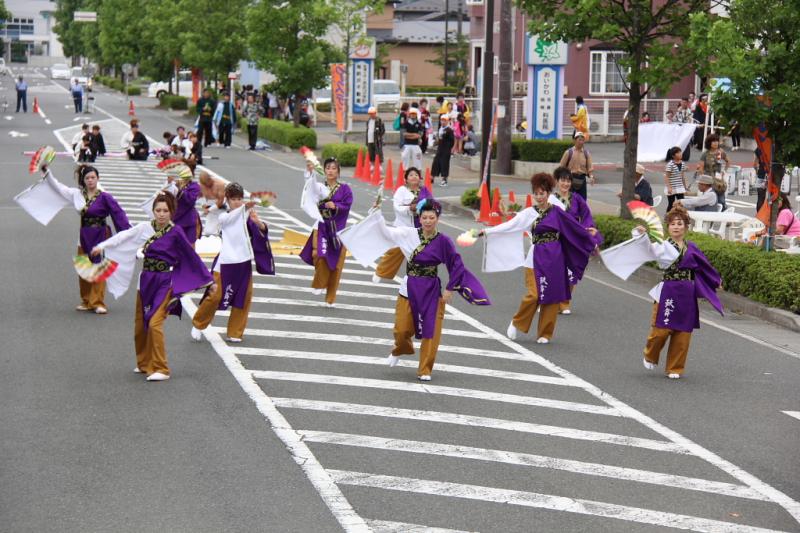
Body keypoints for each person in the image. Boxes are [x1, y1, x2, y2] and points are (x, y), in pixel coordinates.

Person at [91, 192, 213, 381]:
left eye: (165, 210)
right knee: (141, 325)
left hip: (165, 281)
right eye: (158, 210)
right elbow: (124, 236)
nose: (162, 214)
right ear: (153, 211)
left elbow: (191, 255)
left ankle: (161, 368)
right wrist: (102, 246)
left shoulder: (176, 231)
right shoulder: (144, 228)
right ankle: (144, 363)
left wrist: (208, 281)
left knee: (155, 323)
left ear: (171, 212)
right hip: (145, 280)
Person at [372, 199, 490, 381]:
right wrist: (376, 213)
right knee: (401, 330)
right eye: (424, 217)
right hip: (409, 287)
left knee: (431, 331)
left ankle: (425, 369)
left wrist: (450, 289)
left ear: (437, 219)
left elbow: (456, 264)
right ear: (419, 218)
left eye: (431, 217)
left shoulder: (443, 241)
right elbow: (386, 232)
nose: (428, 221)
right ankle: (401, 348)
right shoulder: (407, 234)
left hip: (431, 290)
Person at [482, 173, 596, 344]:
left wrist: (588, 234)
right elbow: (510, 226)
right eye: (536, 193)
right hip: (535, 258)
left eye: (542, 193)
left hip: (555, 258)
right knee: (534, 295)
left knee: (553, 295)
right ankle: (517, 321)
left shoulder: (557, 211)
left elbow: (573, 227)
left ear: (548, 193)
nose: (539, 196)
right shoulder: (528, 213)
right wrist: (486, 231)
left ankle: (545, 333)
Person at [639, 205, 722, 379]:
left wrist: (715, 281)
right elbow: (647, 250)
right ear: (667, 227)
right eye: (673, 224)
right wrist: (641, 235)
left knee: (683, 332)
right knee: (661, 329)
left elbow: (705, 267)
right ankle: (650, 354)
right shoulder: (662, 246)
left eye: (680, 223)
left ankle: (675, 368)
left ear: (686, 226)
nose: (676, 226)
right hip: (668, 290)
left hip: (687, 292)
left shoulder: (691, 248)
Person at [40, 164, 130, 314]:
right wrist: (46, 172)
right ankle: (86, 300)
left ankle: (98, 302)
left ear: (98, 178)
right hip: (84, 235)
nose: (90, 180)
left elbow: (118, 214)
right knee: (84, 268)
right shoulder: (76, 194)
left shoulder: (105, 196)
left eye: (93, 177)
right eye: (87, 178)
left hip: (101, 236)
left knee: (99, 268)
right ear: (83, 179)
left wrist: (127, 234)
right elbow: (58, 187)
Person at [191, 183, 274, 343]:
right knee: (214, 296)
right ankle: (198, 324)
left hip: (243, 263)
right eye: (233, 199)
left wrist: (258, 223)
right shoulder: (224, 216)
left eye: (239, 198)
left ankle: (235, 332)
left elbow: (260, 231)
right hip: (225, 262)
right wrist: (244, 208)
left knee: (244, 297)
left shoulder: (246, 215)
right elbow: (230, 218)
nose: (237, 202)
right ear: (227, 200)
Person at [299, 157, 353, 306]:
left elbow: (347, 204)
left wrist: (335, 206)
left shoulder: (345, 189)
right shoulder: (319, 186)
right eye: (328, 168)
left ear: (338, 171)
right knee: (319, 255)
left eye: (333, 168)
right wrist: (309, 172)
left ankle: (330, 297)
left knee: (336, 265)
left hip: (338, 230)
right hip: (321, 226)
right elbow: (309, 188)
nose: (330, 171)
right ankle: (319, 283)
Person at [553, 166, 602, 315]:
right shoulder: (551, 200)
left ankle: (565, 302)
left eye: (568, 181)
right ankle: (552, 301)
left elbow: (586, 216)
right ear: (556, 181)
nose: (566, 184)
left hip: (574, 239)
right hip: (557, 238)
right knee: (555, 270)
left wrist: (588, 229)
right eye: (563, 180)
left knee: (571, 271)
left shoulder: (577, 199)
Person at [373, 167, 434, 283]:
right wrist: (409, 208)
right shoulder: (401, 190)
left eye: (416, 175)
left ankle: (419, 278)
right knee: (395, 251)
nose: (414, 177)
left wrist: (424, 210)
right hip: (402, 226)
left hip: (419, 229)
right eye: (411, 175)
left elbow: (432, 204)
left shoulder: (424, 190)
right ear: (406, 179)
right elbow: (397, 207)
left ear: (420, 178)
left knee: (418, 254)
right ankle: (380, 271)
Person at [163, 166, 202, 247]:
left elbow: (190, 200)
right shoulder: (175, 184)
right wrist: (169, 184)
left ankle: (190, 259)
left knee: (190, 244)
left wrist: (179, 190)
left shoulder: (194, 186)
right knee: (175, 244)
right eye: (183, 178)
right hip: (176, 218)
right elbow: (165, 196)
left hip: (189, 219)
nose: (184, 180)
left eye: (186, 178)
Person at [558, 131, 595, 199]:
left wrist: (591, 177)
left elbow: (589, 168)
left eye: (583, 140)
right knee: (570, 200)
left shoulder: (586, 153)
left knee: (582, 201)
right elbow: (561, 167)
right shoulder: (568, 152)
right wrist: (561, 180)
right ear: (574, 140)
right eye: (579, 140)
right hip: (570, 179)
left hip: (582, 180)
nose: (581, 142)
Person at [697, 133, 729, 209]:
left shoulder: (721, 152)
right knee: (708, 199)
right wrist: (702, 178)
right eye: (713, 141)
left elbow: (728, 161)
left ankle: (723, 214)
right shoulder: (705, 154)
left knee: (721, 199)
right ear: (709, 143)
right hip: (708, 179)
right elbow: (701, 167)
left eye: (717, 141)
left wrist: (724, 171)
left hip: (718, 180)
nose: (715, 143)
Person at [431, 114, 454, 187]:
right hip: (440, 149)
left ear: (447, 121)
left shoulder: (449, 130)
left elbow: (452, 141)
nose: (443, 122)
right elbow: (439, 139)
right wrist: (436, 142)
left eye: (445, 120)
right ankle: (432, 177)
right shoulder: (440, 129)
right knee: (436, 162)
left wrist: (449, 148)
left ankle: (444, 179)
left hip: (446, 150)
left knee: (444, 164)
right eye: (442, 120)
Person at [664, 146, 687, 212]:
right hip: (672, 187)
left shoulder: (682, 163)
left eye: (680, 152)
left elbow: (682, 176)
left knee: (681, 203)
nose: (680, 154)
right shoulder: (670, 164)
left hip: (680, 187)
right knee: (671, 204)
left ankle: (680, 217)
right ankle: (667, 218)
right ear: (673, 155)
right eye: (678, 153)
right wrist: (669, 187)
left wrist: (685, 187)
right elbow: (666, 176)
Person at [674, 97, 695, 161]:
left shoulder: (689, 111)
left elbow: (689, 120)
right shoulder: (678, 110)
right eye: (682, 102)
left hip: (686, 129)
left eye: (685, 102)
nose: (683, 103)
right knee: (679, 143)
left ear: (687, 103)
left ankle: (685, 156)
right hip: (679, 129)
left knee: (686, 142)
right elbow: (675, 119)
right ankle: (677, 155)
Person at [754, 148, 767, 212]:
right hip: (772, 175)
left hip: (761, 175)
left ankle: (759, 215)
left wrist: (757, 171)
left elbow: (754, 165)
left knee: (760, 197)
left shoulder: (758, 149)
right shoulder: (773, 147)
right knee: (774, 197)